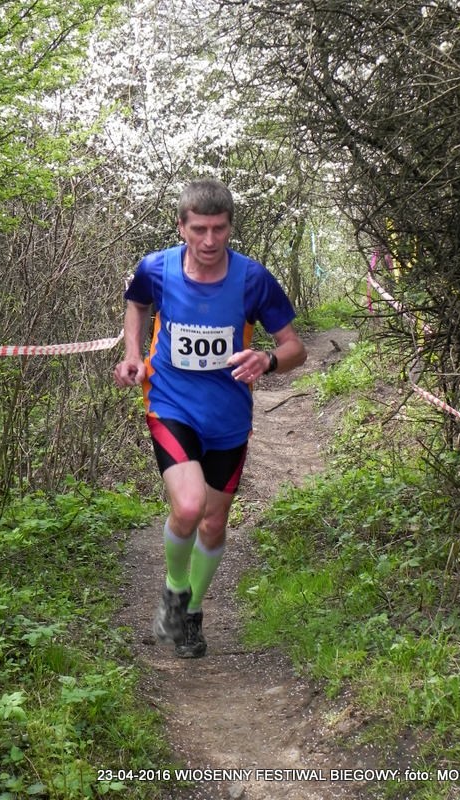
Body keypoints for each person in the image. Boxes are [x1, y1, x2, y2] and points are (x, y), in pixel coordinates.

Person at [113, 179, 307, 658]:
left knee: (214, 523)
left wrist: (268, 360)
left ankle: (192, 614)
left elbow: (295, 347)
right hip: (170, 403)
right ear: (181, 227)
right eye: (199, 229)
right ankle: (175, 592)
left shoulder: (253, 279)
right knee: (188, 507)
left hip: (227, 417)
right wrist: (134, 354)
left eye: (218, 229)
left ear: (230, 227)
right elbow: (137, 303)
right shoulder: (155, 269)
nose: (209, 240)